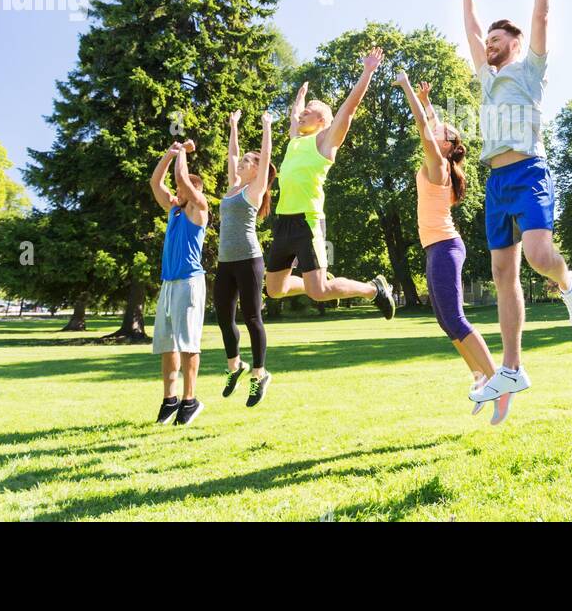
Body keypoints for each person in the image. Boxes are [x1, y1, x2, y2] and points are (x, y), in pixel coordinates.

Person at [462, 0, 572, 408]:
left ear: (514, 45)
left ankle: (569, 283)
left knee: (539, 255)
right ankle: (512, 368)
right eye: (489, 41)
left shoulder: (530, 69)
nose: (490, 45)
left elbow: (540, 14)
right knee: (502, 274)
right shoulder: (487, 78)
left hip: (529, 173)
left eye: (499, 39)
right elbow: (472, 34)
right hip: (496, 181)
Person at [394, 72, 510, 425]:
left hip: (445, 247)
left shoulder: (438, 164)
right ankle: (479, 376)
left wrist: (409, 89)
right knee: (446, 321)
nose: (436, 128)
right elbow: (430, 122)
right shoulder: (441, 158)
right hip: (436, 248)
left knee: (457, 319)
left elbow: (423, 125)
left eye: (441, 131)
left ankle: (500, 383)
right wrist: (428, 102)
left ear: (446, 145)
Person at [264, 48, 396, 318]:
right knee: (274, 289)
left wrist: (367, 72)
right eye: (302, 114)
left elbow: (349, 109)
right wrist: (300, 101)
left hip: (307, 221)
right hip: (283, 221)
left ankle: (373, 289)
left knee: (319, 292)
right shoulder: (295, 141)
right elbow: (294, 117)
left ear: (323, 121)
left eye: (308, 113)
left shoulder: (325, 142)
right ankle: (322, 280)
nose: (301, 116)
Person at [217, 109, 277, 408]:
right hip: (226, 262)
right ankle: (234, 366)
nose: (240, 163)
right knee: (223, 317)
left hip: (249, 260)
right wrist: (233, 127)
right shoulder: (232, 187)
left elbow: (265, 158)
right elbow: (232, 154)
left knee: (253, 318)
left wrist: (266, 127)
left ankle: (259, 374)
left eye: (245, 163)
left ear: (256, 171)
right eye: (241, 162)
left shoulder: (254, 190)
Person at [149, 139, 210, 426]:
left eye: (183, 190)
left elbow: (180, 178)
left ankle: (190, 400)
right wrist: (171, 152)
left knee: (188, 343)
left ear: (194, 192)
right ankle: (170, 400)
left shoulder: (200, 208)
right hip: (169, 284)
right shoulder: (174, 211)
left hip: (189, 283)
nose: (178, 192)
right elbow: (155, 182)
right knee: (167, 344)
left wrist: (184, 153)